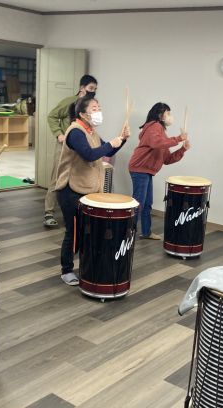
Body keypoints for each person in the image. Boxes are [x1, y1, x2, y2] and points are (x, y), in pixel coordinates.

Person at [54, 96, 129, 286]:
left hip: (87, 190)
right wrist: (111, 143)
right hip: (70, 190)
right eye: (94, 108)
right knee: (73, 232)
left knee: (86, 232)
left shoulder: (91, 131)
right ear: (82, 114)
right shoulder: (75, 132)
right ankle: (66, 270)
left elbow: (107, 152)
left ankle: (86, 267)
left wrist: (122, 139)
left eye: (99, 107)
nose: (98, 111)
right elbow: (89, 155)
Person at [128, 102, 189, 239]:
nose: (170, 116)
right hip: (140, 168)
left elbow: (167, 159)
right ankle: (127, 234)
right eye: (168, 113)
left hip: (146, 170)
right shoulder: (154, 126)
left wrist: (183, 149)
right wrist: (178, 138)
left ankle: (146, 232)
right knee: (139, 203)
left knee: (147, 203)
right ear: (160, 115)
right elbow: (156, 143)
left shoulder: (161, 133)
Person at [44, 74, 98, 227]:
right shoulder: (69, 102)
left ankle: (78, 211)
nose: (93, 91)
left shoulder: (90, 105)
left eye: (95, 89)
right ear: (82, 88)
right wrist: (59, 134)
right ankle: (48, 212)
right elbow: (52, 116)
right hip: (64, 145)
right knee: (57, 177)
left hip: (81, 146)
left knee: (80, 176)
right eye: (91, 88)